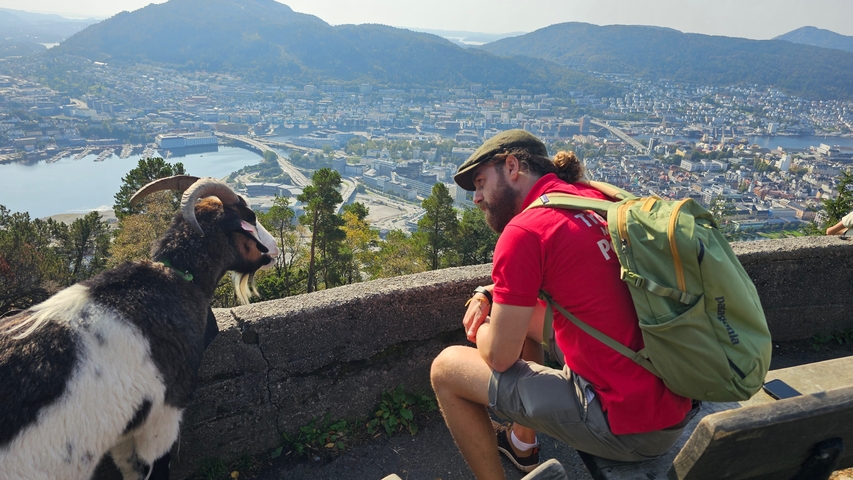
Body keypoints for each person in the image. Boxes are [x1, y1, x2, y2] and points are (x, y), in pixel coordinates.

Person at [430, 130, 695, 479]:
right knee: (519, 318)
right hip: (674, 395)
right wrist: (491, 293)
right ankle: (522, 445)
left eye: (480, 183)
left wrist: (481, 328)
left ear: (512, 166)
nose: (476, 198)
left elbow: (499, 357)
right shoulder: (591, 199)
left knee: (446, 370)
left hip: (629, 429)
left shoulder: (525, 231)